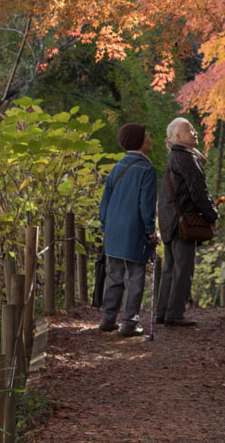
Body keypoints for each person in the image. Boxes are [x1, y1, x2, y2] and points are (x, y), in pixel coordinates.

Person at [156, 116, 218, 327]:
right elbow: (199, 191)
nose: (195, 132)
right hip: (182, 222)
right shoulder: (185, 158)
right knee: (183, 268)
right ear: (178, 137)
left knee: (170, 268)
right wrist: (213, 216)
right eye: (189, 129)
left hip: (168, 220)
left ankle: (163, 311)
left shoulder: (175, 158)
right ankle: (174, 314)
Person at [98, 122, 158, 337]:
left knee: (113, 275)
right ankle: (129, 323)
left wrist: (104, 225)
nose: (149, 137)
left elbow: (104, 202)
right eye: (146, 134)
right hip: (134, 229)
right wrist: (151, 230)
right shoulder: (147, 170)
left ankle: (108, 318)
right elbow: (146, 205)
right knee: (135, 276)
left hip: (113, 229)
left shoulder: (117, 167)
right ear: (139, 140)